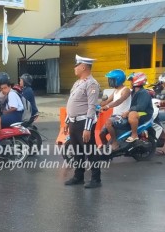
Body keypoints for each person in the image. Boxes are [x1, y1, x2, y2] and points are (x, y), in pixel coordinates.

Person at [64, 54, 101, 188]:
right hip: (74, 122)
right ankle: (78, 177)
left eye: (76, 65)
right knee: (77, 152)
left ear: (83, 67)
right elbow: (72, 103)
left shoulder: (92, 84)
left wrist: (87, 128)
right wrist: (67, 121)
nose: (74, 68)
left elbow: (91, 107)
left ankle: (96, 179)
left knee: (90, 151)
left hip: (84, 122)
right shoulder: (78, 82)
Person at [106, 72, 153, 150]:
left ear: (137, 81)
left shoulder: (144, 93)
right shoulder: (133, 91)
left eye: (131, 80)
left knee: (132, 114)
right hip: (137, 112)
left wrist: (128, 111)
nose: (130, 82)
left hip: (145, 113)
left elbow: (141, 107)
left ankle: (134, 135)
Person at [99, 69, 131, 147]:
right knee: (101, 134)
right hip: (115, 116)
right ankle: (106, 149)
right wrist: (98, 105)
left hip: (123, 117)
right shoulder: (116, 90)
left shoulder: (126, 90)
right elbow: (106, 101)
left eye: (111, 79)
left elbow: (119, 101)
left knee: (108, 123)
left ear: (118, 79)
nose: (109, 81)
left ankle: (115, 142)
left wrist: (107, 106)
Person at [0, 80, 24, 145]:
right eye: (2, 89)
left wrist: (5, 112)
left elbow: (14, 108)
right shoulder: (11, 93)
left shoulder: (11, 94)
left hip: (16, 115)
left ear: (9, 86)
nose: (4, 90)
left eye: (5, 88)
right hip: (15, 114)